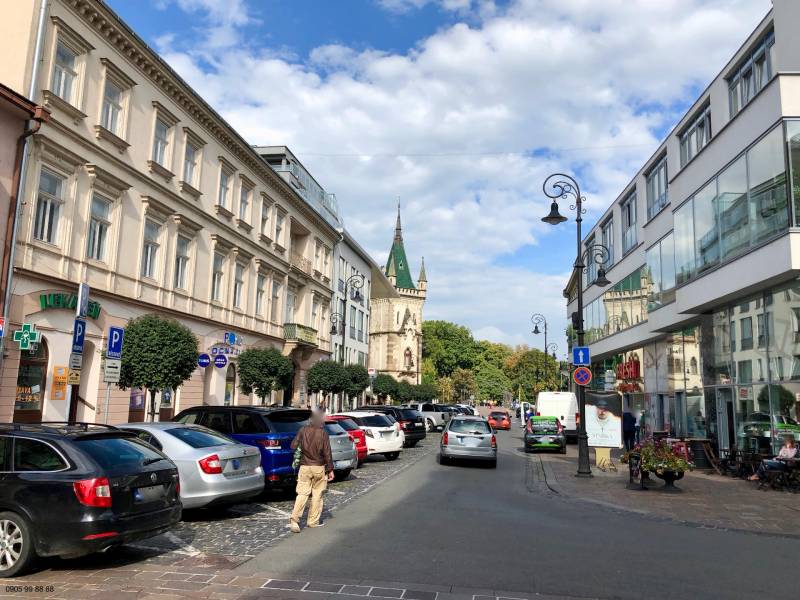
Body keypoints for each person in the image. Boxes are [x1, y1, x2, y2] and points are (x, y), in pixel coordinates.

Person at [289, 410, 334, 532]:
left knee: (302, 493)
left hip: (304, 467)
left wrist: (301, 448)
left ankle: (294, 520)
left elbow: (293, 446)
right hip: (319, 467)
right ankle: (312, 521)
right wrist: (330, 469)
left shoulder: (302, 430)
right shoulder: (323, 433)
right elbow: (327, 453)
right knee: (317, 495)